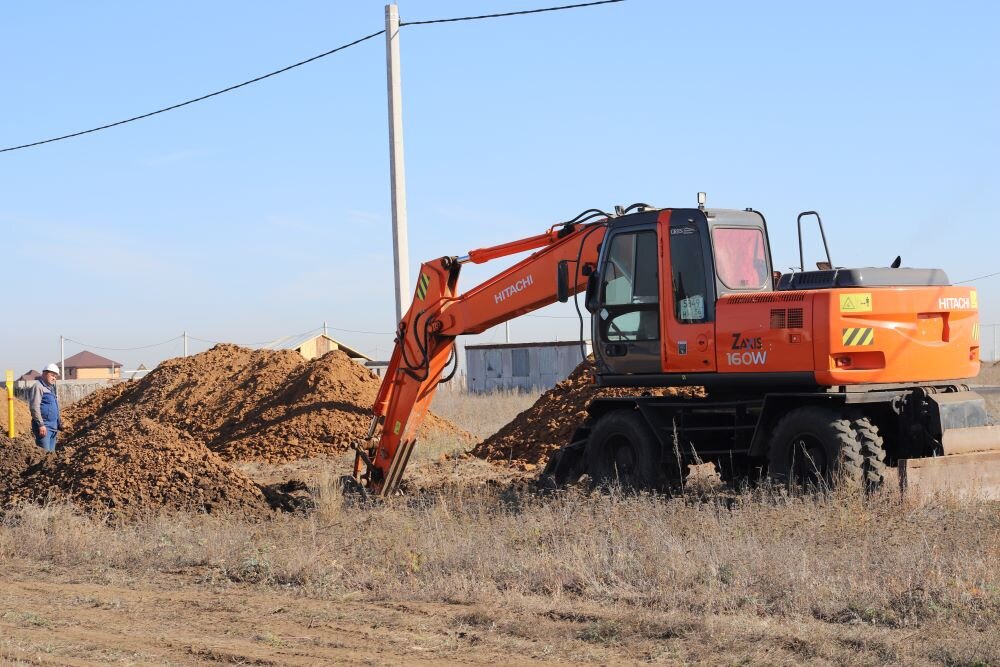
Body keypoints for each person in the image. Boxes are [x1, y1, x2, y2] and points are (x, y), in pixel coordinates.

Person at [29, 363, 63, 453]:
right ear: (44, 374)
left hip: (53, 428)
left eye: (55, 376)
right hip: (44, 428)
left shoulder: (51, 388)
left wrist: (59, 422)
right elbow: (34, 407)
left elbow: (55, 406)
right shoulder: (38, 387)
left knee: (51, 457)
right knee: (44, 455)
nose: (54, 378)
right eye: (52, 375)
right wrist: (41, 425)